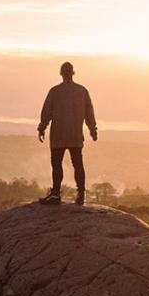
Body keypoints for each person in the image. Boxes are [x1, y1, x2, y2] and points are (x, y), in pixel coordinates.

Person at [37, 61, 97, 205]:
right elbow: (89, 112)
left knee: (56, 164)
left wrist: (42, 127)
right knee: (78, 164)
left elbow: (47, 112)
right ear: (73, 73)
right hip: (75, 135)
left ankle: (56, 194)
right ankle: (81, 194)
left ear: (61, 74)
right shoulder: (82, 91)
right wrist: (92, 129)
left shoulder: (54, 91)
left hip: (58, 135)